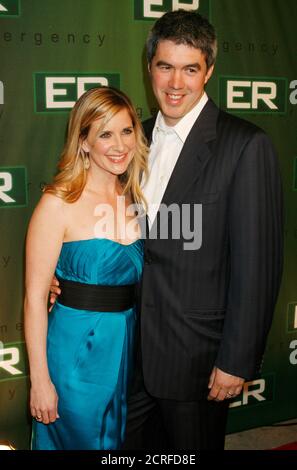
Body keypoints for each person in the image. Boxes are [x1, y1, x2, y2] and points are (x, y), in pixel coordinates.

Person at [50, 10, 283, 450]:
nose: (176, 83)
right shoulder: (132, 140)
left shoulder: (245, 146)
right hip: (128, 353)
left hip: (199, 358)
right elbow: (107, 225)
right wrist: (71, 282)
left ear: (209, 71)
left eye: (190, 68)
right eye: (165, 66)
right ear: (149, 67)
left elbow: (259, 267)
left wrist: (236, 360)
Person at [24, 86, 148, 450]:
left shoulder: (137, 198)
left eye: (126, 131)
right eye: (105, 134)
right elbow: (34, 300)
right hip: (75, 352)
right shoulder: (58, 203)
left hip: (127, 347)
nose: (119, 145)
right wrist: (40, 381)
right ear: (83, 142)